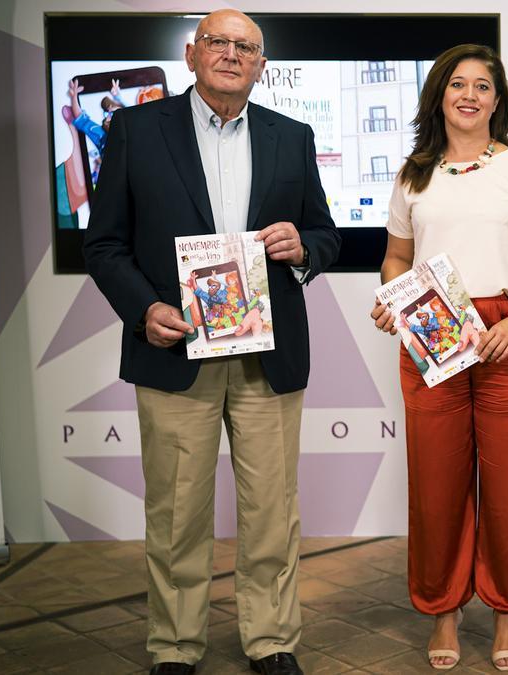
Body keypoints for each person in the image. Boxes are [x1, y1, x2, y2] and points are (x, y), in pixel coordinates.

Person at [82, 9, 341, 675]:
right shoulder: (136, 129)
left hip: (267, 352)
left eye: (246, 46)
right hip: (173, 352)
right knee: (176, 516)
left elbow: (325, 234)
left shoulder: (292, 134)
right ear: (193, 54)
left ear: (262, 64)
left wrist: (302, 247)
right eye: (219, 42)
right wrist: (144, 310)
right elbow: (104, 242)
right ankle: (174, 646)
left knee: (271, 512)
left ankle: (272, 639)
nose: (231, 53)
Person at [369, 44, 508, 671]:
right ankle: (444, 611)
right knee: (437, 483)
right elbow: (398, 258)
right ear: (440, 95)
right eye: (459, 84)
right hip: (436, 333)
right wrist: (392, 298)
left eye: (484, 86)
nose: (470, 95)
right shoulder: (413, 175)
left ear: (497, 101)